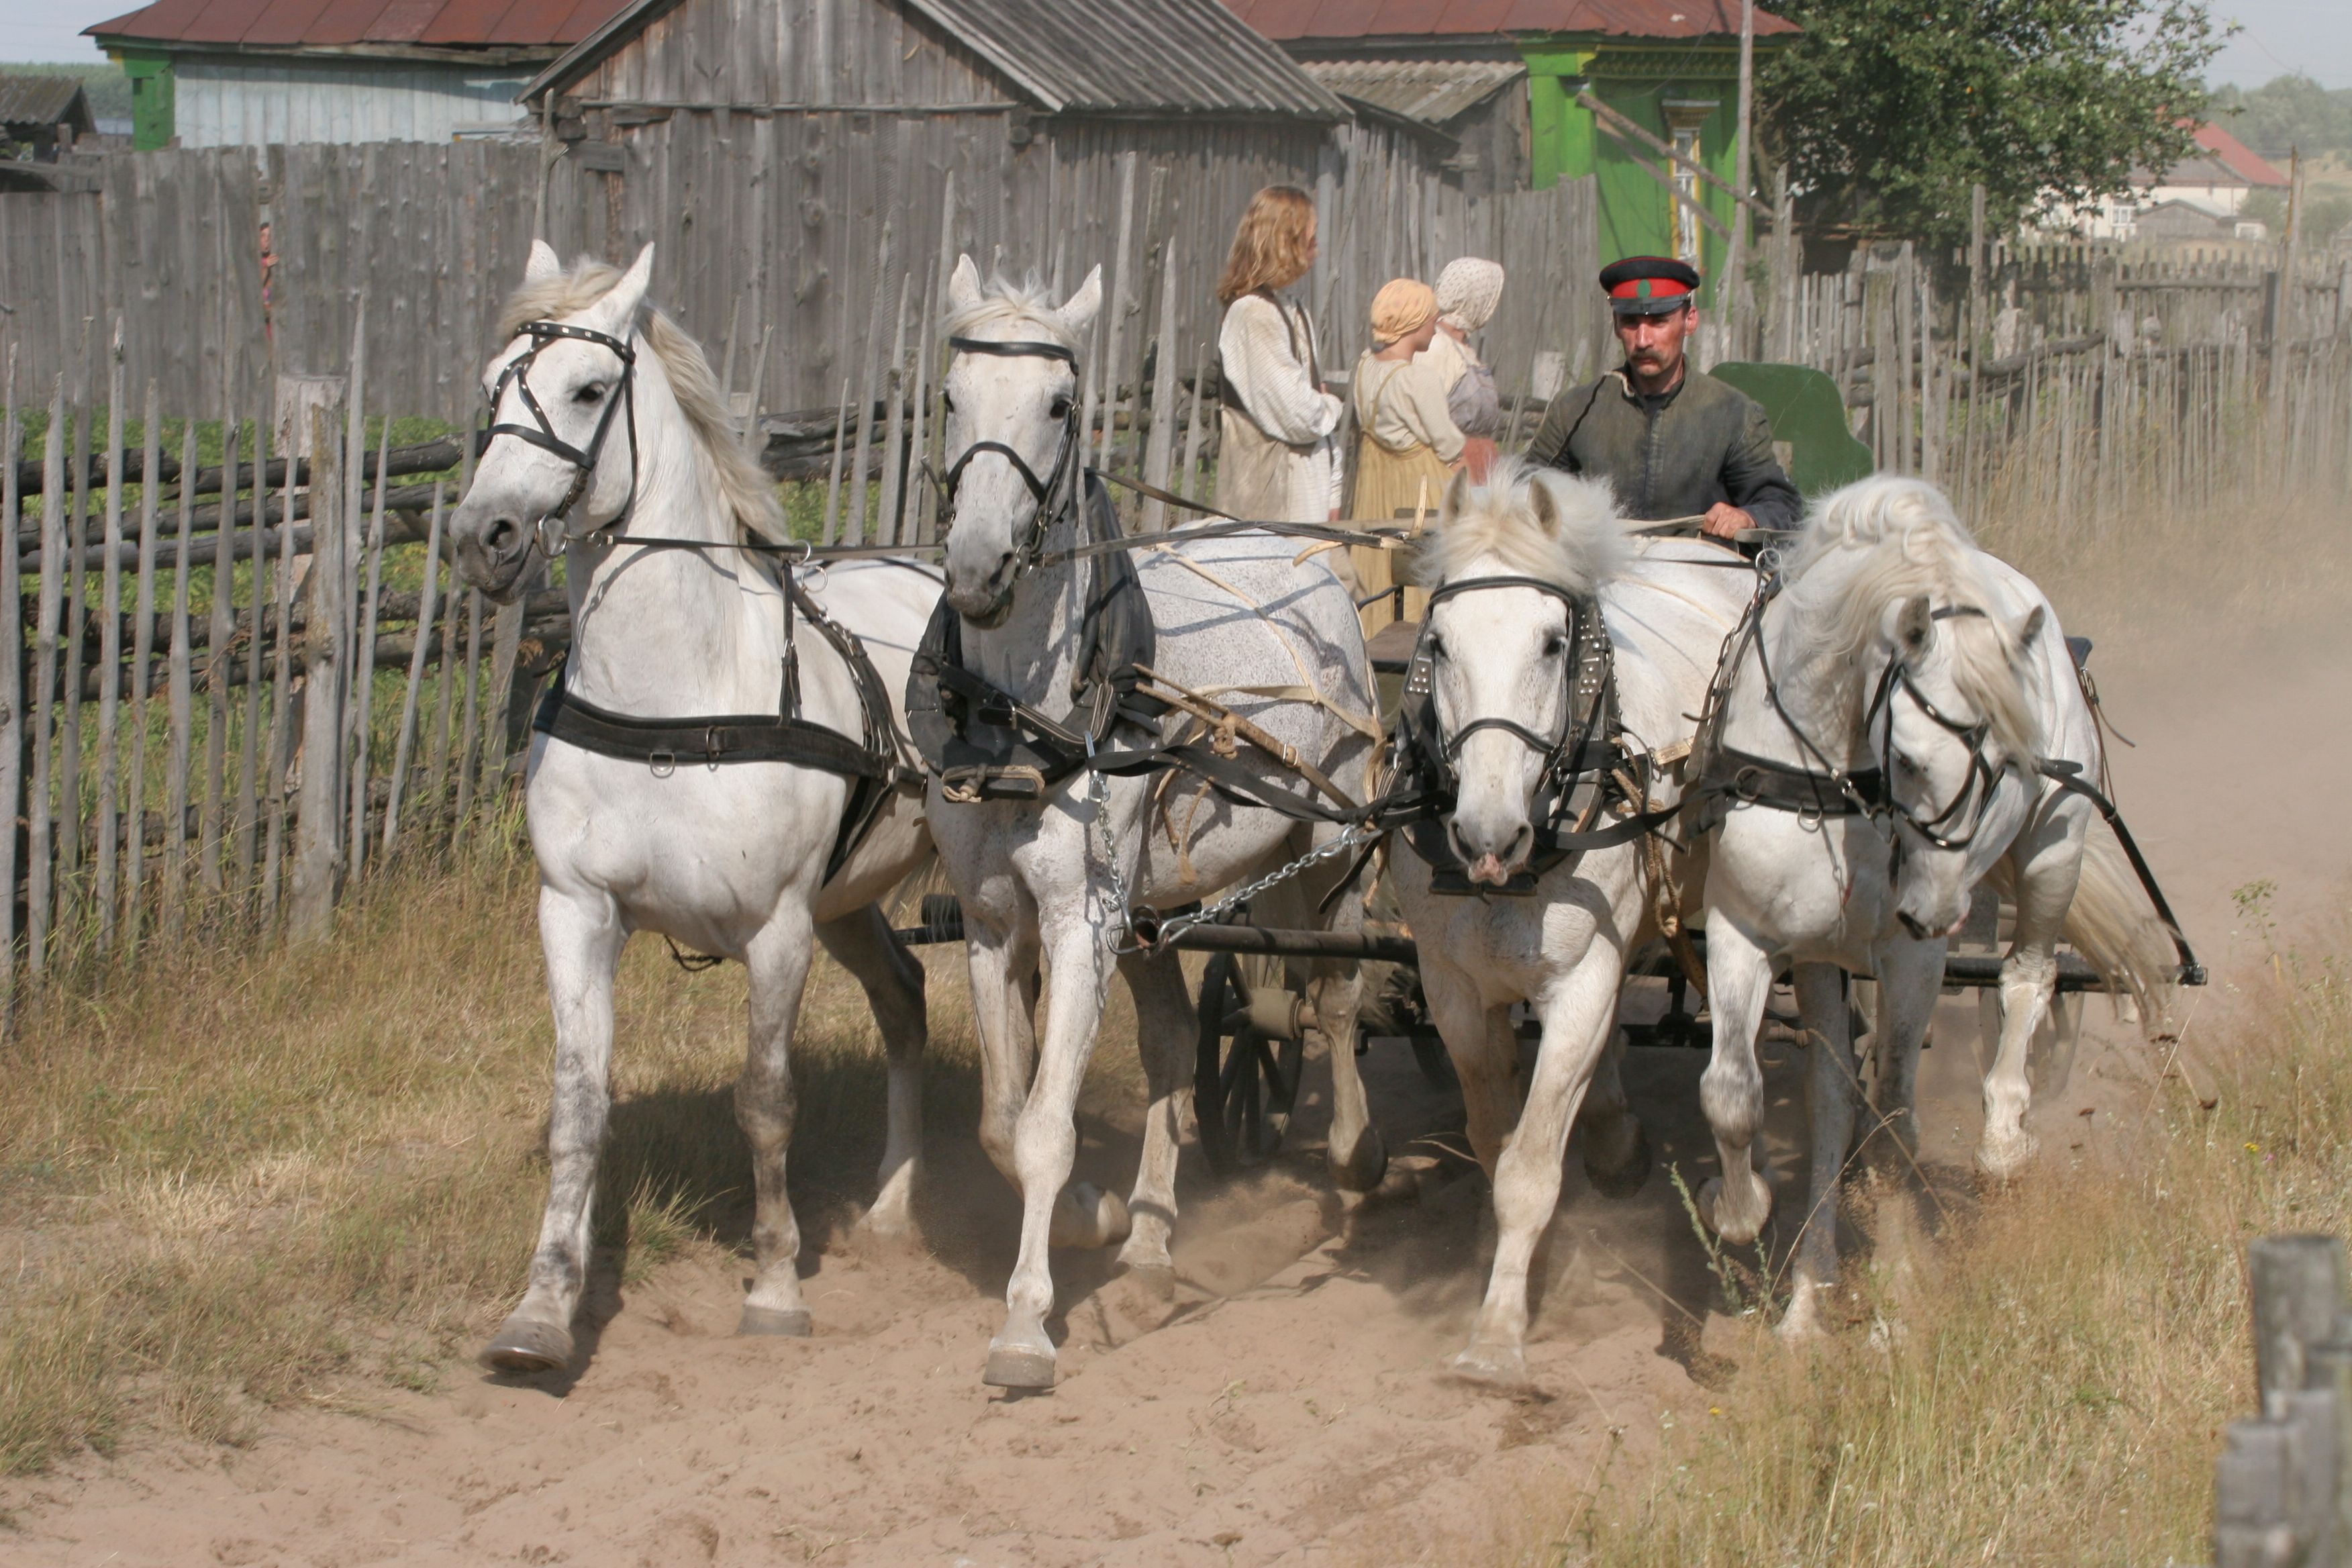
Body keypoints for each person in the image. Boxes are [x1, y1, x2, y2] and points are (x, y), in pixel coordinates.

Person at [1524, 256, 1799, 541]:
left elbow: (1781, 505)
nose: (1643, 340)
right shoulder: (1574, 411)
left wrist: (1748, 516)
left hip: (1698, 579)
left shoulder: (1734, 414)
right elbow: (1525, 488)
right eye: (1630, 322)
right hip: (1598, 576)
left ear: (1690, 320)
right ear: (1616, 325)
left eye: (1659, 322)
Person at [1214, 186, 1344, 525]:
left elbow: (1314, 416)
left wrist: (1333, 488)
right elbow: (1299, 413)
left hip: (1307, 491)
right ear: (1285, 240)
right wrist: (1331, 405)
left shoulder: (1292, 308)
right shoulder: (1252, 315)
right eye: (1309, 235)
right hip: (1271, 497)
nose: (1316, 244)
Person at [1351, 278, 1466, 630]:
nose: (1435, 326)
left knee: (1377, 565)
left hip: (1375, 481)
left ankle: (1375, 627)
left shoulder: (1365, 367)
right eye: (1431, 318)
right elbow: (1448, 443)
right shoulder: (1418, 379)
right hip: (1417, 484)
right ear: (1414, 322)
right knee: (1421, 565)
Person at [1421, 257, 1506, 458]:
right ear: (1476, 300)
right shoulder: (1437, 347)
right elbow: (1425, 420)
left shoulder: (1463, 348)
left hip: (1480, 467)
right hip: (1451, 468)